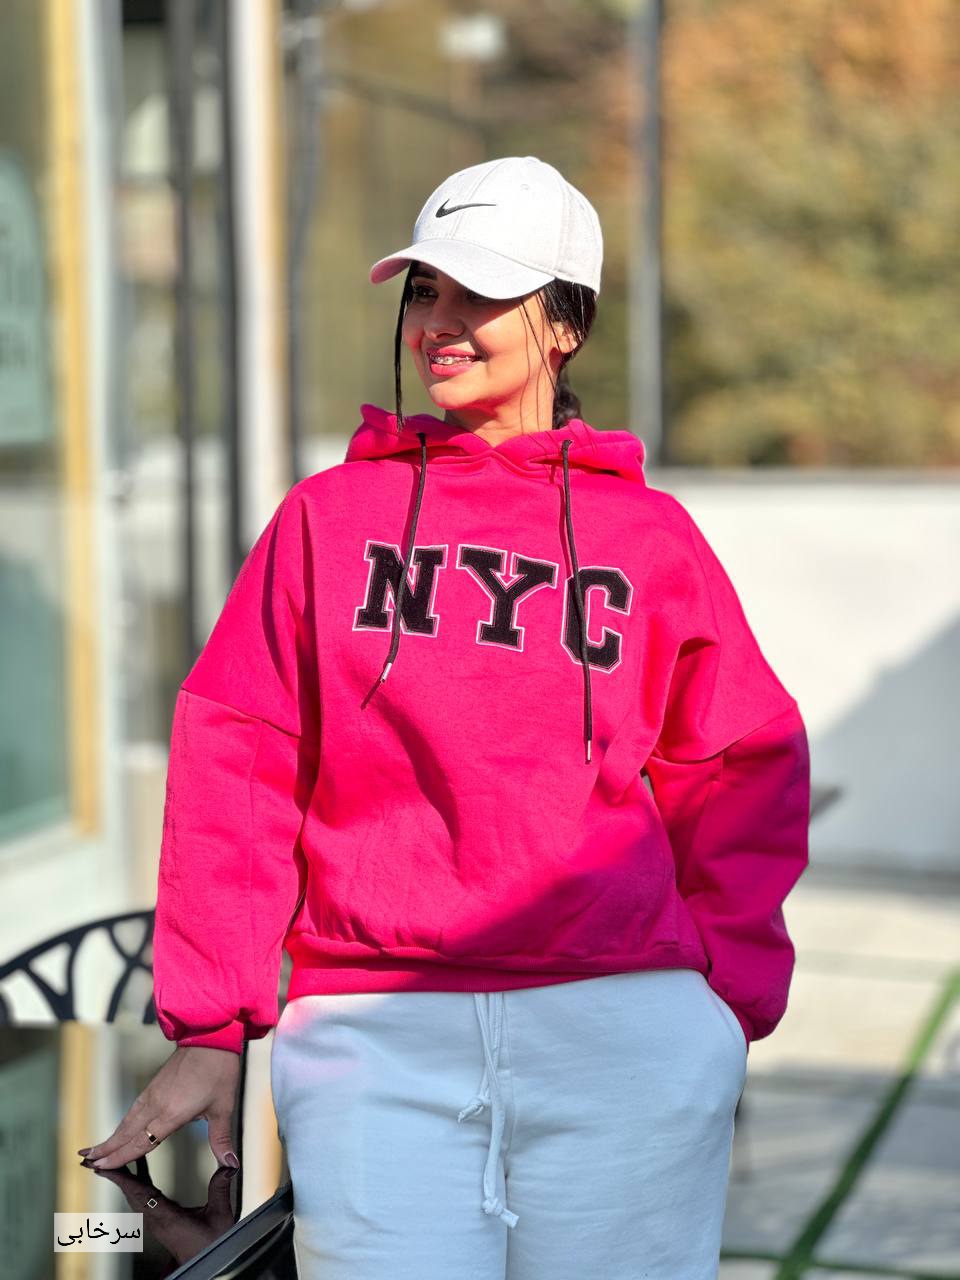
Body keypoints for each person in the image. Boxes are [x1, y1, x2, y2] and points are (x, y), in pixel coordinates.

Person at [79, 156, 811, 1279]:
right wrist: (213, 1023)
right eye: (426, 291)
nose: (441, 323)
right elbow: (242, 760)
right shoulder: (328, 519)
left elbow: (739, 760)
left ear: (566, 324)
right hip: (376, 1038)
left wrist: (725, 996)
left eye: (481, 293)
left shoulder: (650, 538)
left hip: (622, 1030)